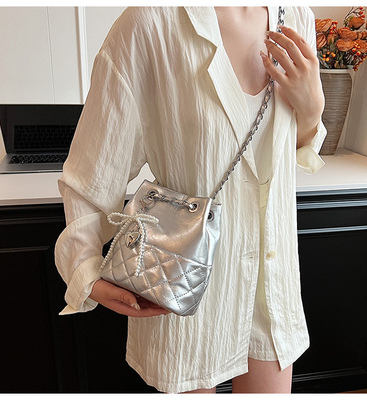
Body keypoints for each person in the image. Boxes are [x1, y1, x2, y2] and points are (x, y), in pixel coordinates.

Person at [55, 6, 327, 394]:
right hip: (182, 283)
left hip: (272, 284)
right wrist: (83, 266)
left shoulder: (297, 15)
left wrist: (312, 109)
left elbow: (288, 150)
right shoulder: (151, 23)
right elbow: (91, 170)